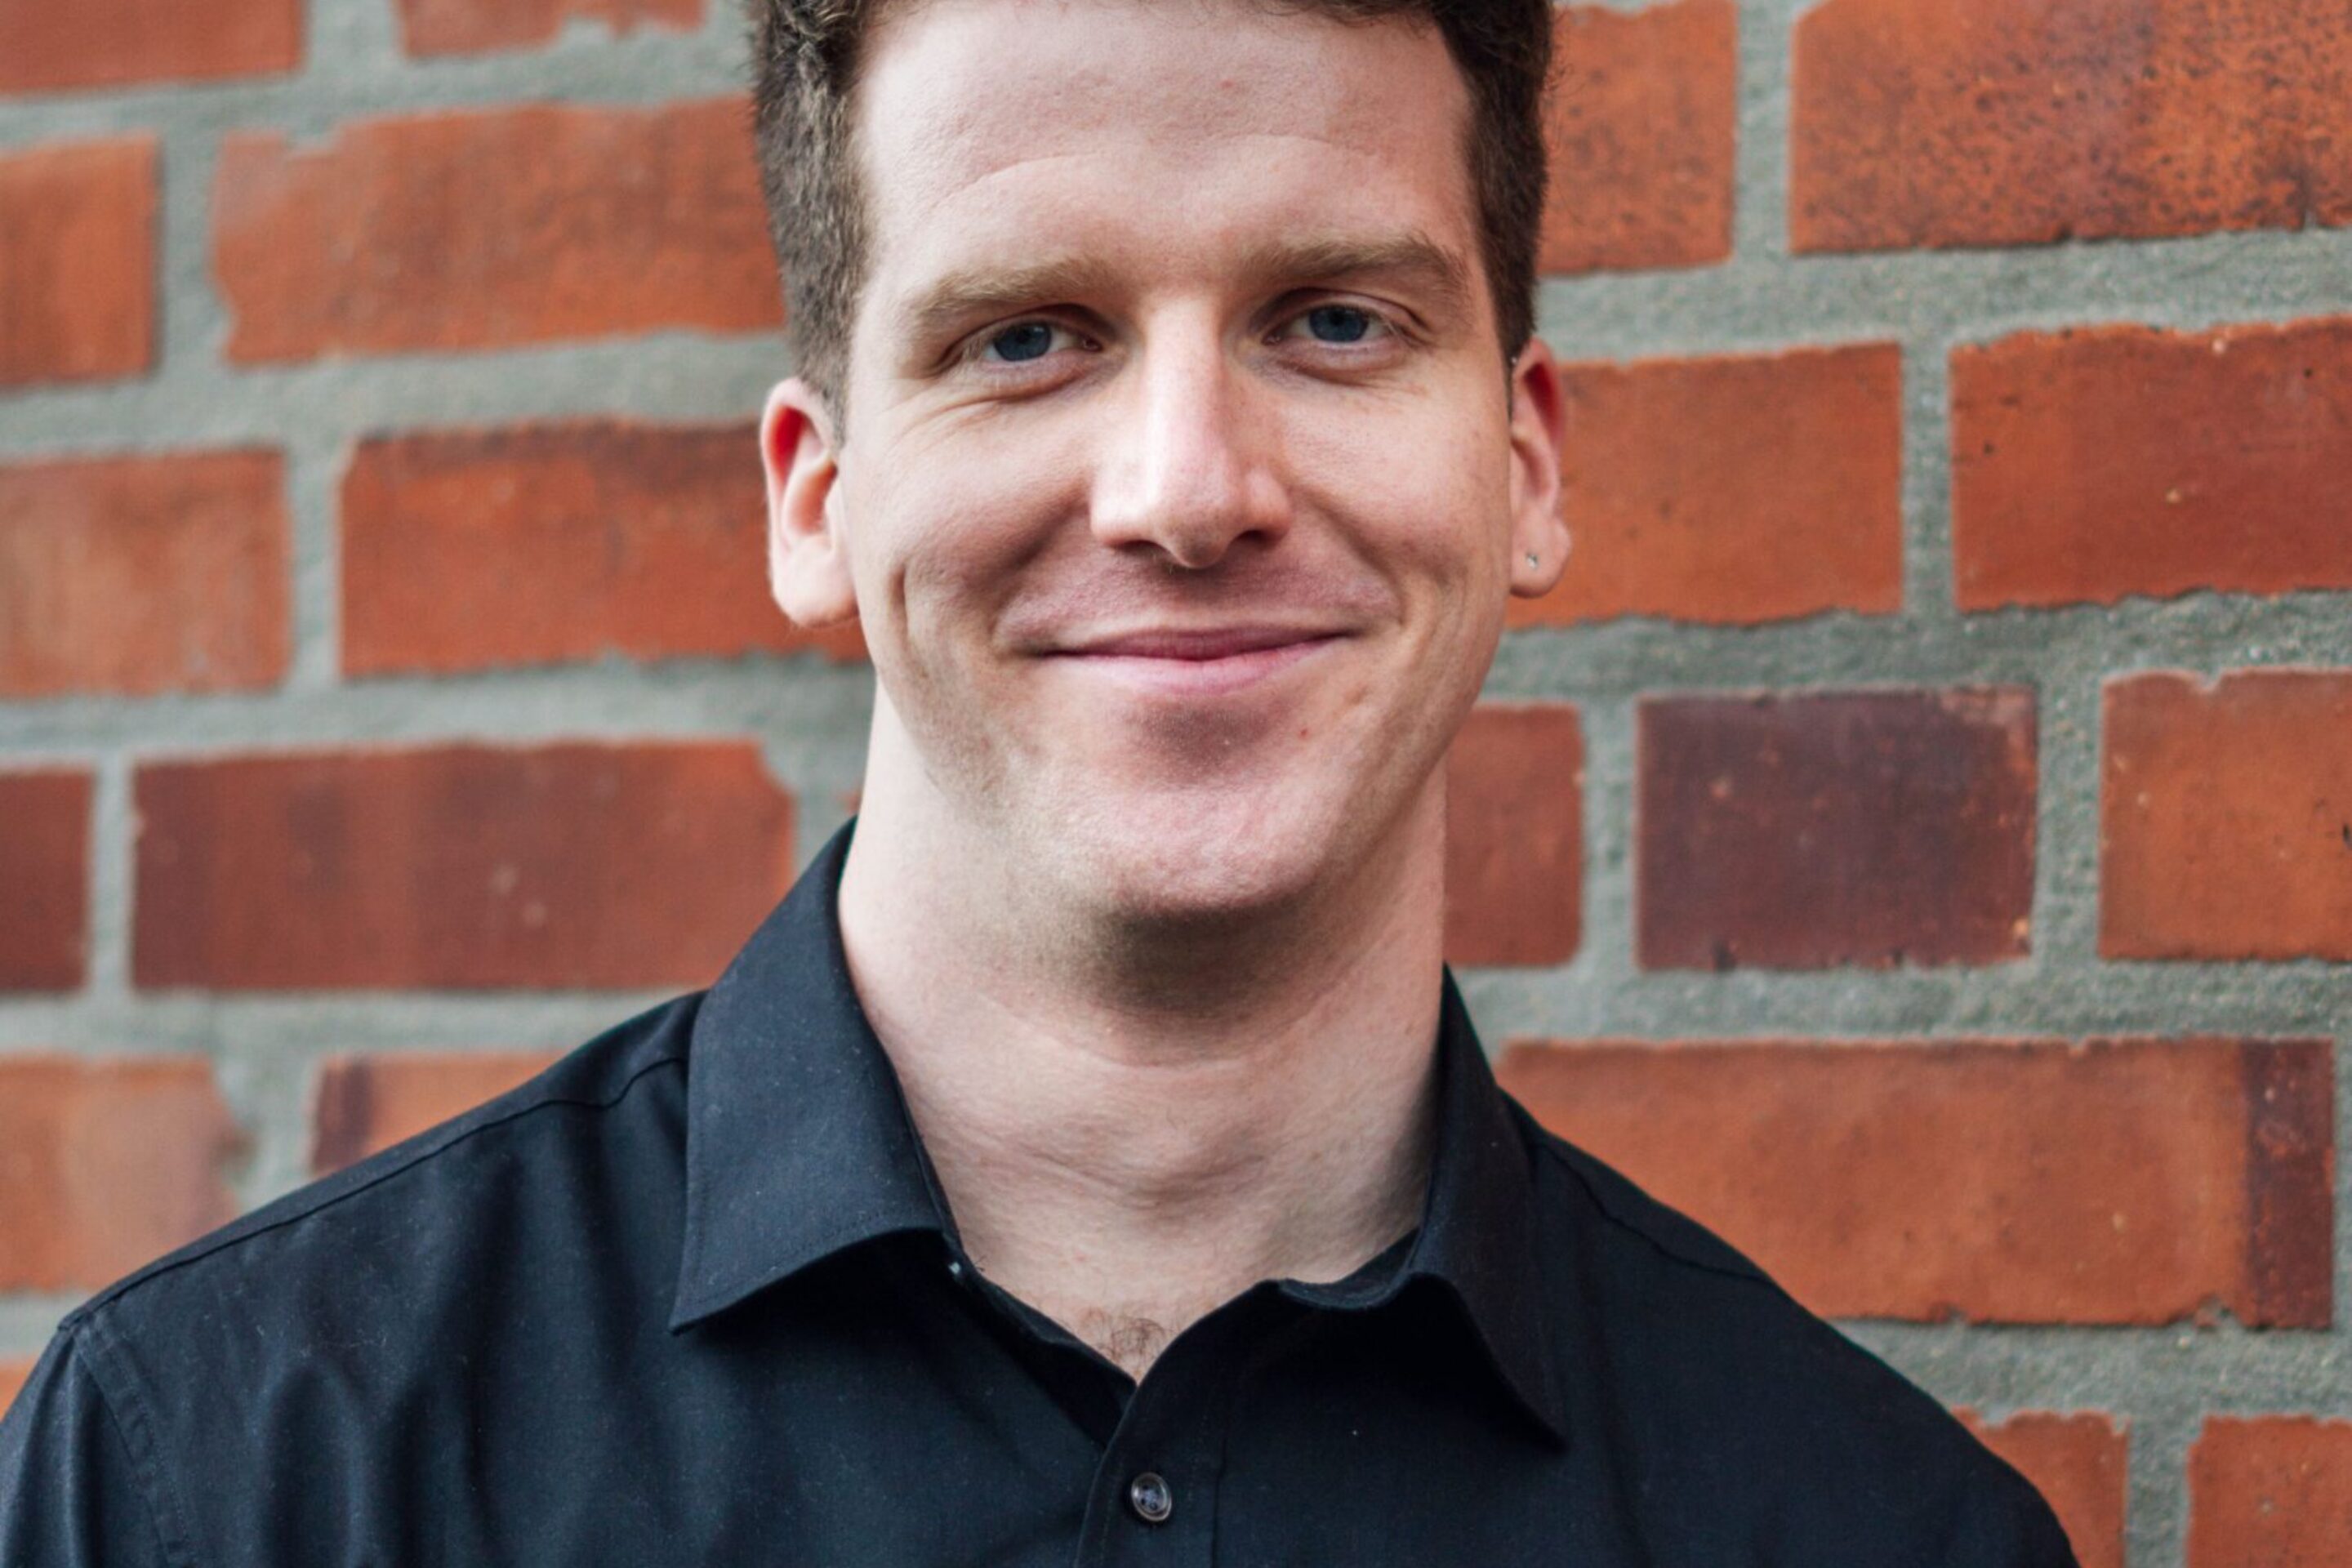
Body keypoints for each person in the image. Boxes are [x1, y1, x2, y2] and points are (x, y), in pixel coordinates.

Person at [0, 0, 2077, 1561]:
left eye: (1335, 321)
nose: (1186, 488)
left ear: (1521, 465)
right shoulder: (231, 1471)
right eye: (1028, 338)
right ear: (815, 497)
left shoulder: (1870, 1529)